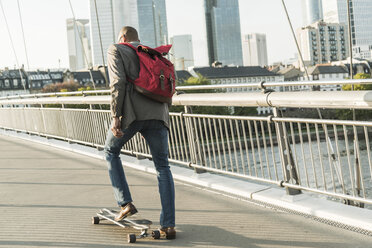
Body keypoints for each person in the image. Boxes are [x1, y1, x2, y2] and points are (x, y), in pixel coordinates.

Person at [104, 26, 176, 239]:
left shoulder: (116, 49)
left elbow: (117, 83)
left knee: (110, 151)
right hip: (159, 115)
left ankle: (125, 203)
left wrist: (116, 116)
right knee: (163, 167)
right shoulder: (152, 53)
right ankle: (169, 225)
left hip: (132, 115)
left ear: (123, 37)